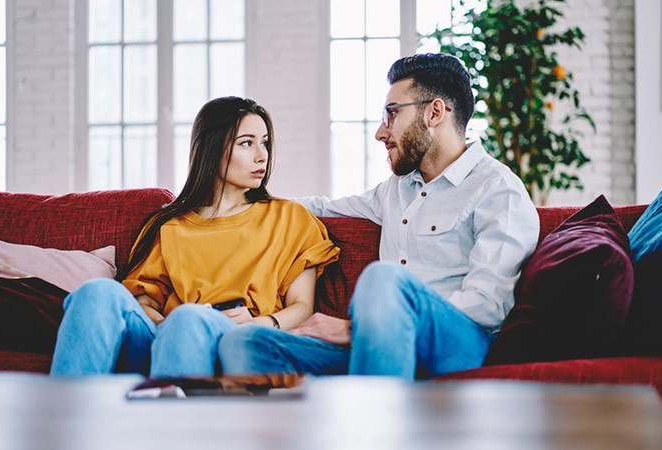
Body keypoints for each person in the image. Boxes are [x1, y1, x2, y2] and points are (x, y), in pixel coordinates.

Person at [217, 53, 540, 379]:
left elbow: (488, 307)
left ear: (435, 113)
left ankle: (375, 422)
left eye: (392, 114)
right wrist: (229, 203)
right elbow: (322, 207)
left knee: (383, 279)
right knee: (244, 343)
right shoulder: (397, 190)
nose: (381, 133)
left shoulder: (498, 190)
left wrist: (356, 327)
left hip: (459, 345)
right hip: (376, 344)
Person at [50, 96, 339, 377]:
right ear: (211, 149)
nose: (262, 155)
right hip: (161, 339)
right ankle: (64, 419)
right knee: (95, 292)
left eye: (264, 142)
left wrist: (263, 323)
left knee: (190, 317)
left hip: (229, 337)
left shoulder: (290, 218)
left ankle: (173, 421)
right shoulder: (171, 225)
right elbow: (145, 302)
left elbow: (302, 306)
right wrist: (166, 327)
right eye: (247, 143)